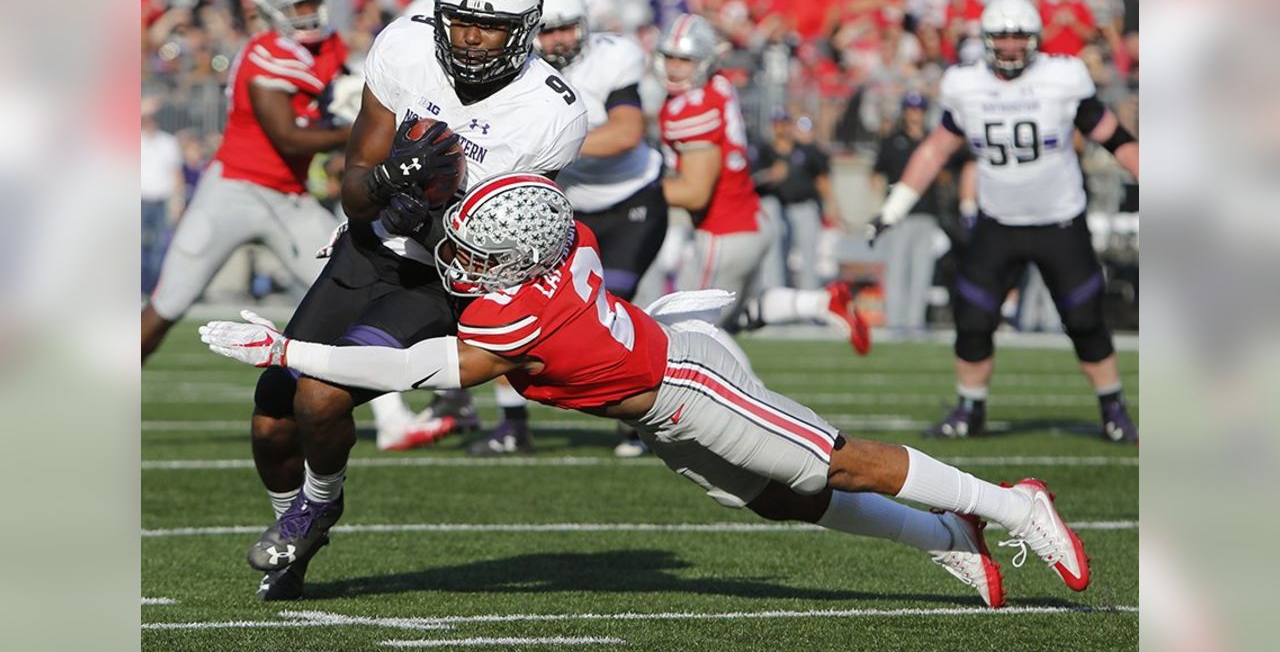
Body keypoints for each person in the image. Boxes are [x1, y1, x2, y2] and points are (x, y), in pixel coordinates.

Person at [202, 173, 1093, 609]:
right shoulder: (562, 244)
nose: (462, 261)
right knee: (782, 505)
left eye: (479, 252)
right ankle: (948, 535)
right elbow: (543, 241)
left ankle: (1014, 505)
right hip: (657, 378)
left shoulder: (516, 314)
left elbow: (407, 373)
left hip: (686, 385)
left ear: (518, 257)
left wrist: (287, 348)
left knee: (835, 463)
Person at [241, 0, 587, 602]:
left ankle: (319, 504)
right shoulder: (405, 47)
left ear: (525, 30)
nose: (470, 37)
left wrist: (432, 216)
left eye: (489, 25)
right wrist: (387, 181)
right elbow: (353, 190)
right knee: (272, 419)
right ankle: (294, 530)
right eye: (458, 19)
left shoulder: (551, 111)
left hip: (444, 277)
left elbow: (516, 246)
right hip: (370, 249)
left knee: (322, 394)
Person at [866, 0, 1140, 443]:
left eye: (1020, 36)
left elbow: (1115, 138)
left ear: (1036, 40)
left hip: (1060, 221)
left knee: (1086, 319)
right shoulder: (965, 85)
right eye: (1002, 36)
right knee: (973, 317)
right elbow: (937, 148)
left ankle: (1113, 409)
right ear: (987, 40)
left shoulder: (1062, 77)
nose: (1011, 45)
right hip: (998, 223)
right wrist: (893, 209)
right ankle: (969, 410)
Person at [460, 0, 670, 458]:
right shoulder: (514, 71)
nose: (556, 40)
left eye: (566, 29)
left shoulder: (615, 58)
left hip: (630, 201)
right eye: (547, 30)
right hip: (561, 208)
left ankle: (631, 417)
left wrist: (539, 146)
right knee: (505, 301)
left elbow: (625, 133)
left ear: (586, 27)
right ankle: (513, 424)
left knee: (610, 306)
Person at [140, 0, 350, 362]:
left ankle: (394, 419)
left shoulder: (330, 48)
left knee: (348, 294)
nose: (308, 14)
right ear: (270, 10)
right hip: (234, 190)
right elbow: (288, 138)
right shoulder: (264, 53)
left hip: (289, 197)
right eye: (296, 7)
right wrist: (354, 131)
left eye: (312, 3)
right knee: (168, 304)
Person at [655, 14, 871, 354]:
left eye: (685, 60)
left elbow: (696, 194)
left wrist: (639, 188)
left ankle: (750, 402)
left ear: (703, 62)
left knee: (684, 337)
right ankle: (819, 303)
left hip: (723, 232)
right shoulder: (718, 84)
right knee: (741, 314)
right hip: (750, 220)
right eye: (670, 58)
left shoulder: (692, 108)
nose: (675, 68)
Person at [871, 92, 946, 334]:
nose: (915, 114)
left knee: (920, 272)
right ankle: (895, 323)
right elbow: (876, 173)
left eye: (919, 109)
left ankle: (915, 324)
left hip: (926, 213)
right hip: (898, 217)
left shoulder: (934, 142)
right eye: (911, 109)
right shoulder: (893, 141)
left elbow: (947, 174)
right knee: (896, 271)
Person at [754, 111, 840, 292]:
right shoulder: (765, 151)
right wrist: (770, 175)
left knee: (809, 258)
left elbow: (821, 179)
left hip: (803, 207)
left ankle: (809, 300)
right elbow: (752, 180)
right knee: (777, 256)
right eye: (777, 124)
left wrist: (832, 205)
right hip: (777, 210)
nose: (781, 128)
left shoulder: (805, 151)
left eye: (784, 123)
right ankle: (778, 297)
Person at [140, 96, 184, 295]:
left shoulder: (168, 142)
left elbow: (176, 175)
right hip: (139, 200)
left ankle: (152, 290)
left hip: (160, 201)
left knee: (159, 248)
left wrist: (177, 202)